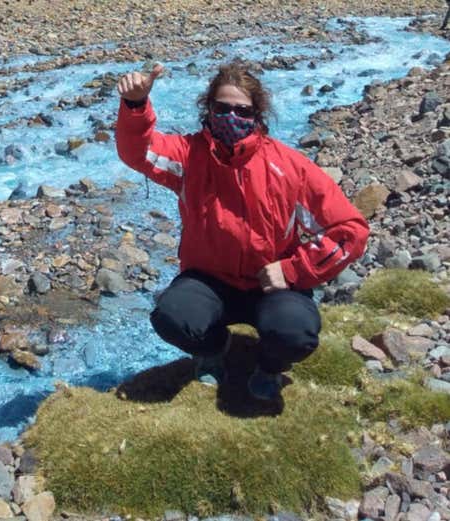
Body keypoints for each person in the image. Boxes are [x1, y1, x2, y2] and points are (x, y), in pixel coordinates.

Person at [115, 62, 369, 401]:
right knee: (171, 317)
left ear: (257, 114)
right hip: (208, 281)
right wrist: (135, 105)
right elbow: (139, 152)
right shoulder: (190, 156)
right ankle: (215, 348)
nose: (230, 117)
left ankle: (268, 366)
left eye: (242, 110)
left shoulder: (289, 167)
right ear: (208, 108)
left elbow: (350, 232)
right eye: (221, 108)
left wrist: (293, 270)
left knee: (296, 334)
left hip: (272, 284)